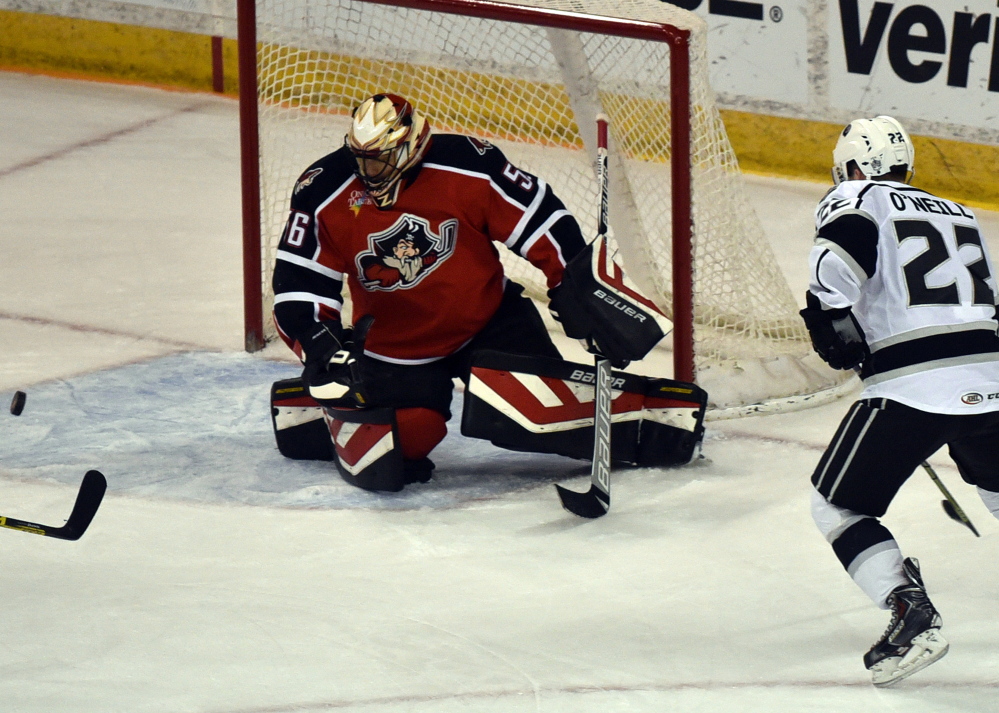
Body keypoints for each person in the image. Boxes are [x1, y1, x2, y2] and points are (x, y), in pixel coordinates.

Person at [270, 93, 691, 492]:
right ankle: (320, 406)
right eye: (360, 156)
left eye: (378, 159)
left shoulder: (469, 164)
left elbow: (542, 218)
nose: (367, 170)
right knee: (395, 453)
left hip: (488, 322)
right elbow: (298, 281)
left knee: (540, 412)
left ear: (409, 146)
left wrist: (577, 290)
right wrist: (319, 345)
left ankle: (656, 419)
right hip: (395, 347)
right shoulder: (322, 190)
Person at [800, 115, 999, 687]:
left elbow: (834, 271)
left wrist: (829, 320)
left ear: (853, 166)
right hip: (989, 370)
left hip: (913, 382)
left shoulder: (856, 195)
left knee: (837, 506)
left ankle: (910, 613)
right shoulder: (959, 212)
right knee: (995, 488)